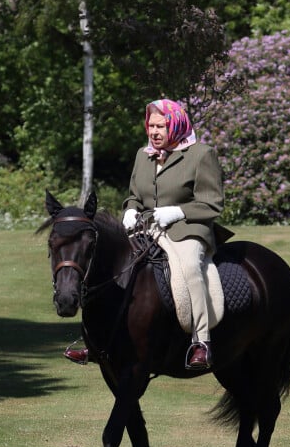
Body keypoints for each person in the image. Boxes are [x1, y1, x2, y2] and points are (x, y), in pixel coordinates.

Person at [65, 98, 225, 370]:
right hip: (146, 229)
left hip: (187, 230)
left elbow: (212, 203)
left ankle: (201, 341)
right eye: (151, 126)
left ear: (175, 124)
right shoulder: (144, 154)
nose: (154, 132)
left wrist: (177, 212)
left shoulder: (201, 154)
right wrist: (130, 210)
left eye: (160, 126)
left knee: (188, 268)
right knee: (110, 266)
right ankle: (95, 342)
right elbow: (134, 197)